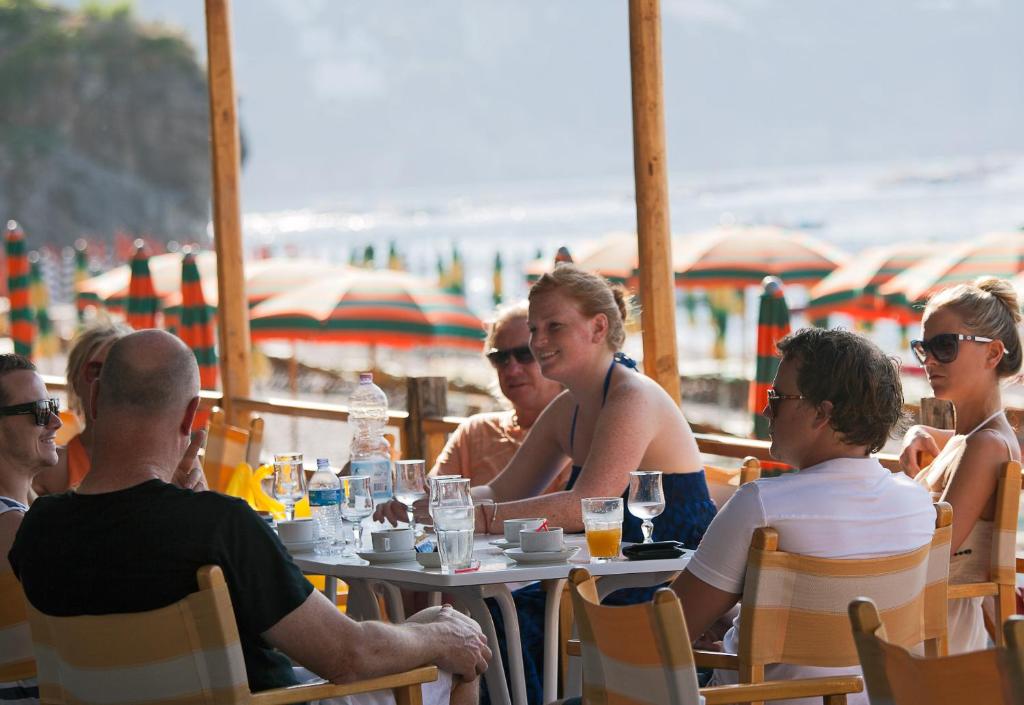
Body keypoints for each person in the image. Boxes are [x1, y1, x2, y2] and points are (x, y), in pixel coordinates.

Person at [10, 330, 490, 705]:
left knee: (433, 626)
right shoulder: (219, 526)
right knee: (454, 649)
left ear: (94, 404)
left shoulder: (37, 530)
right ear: (190, 416)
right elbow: (347, 655)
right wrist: (444, 634)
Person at [381, 264, 715, 705]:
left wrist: (475, 518)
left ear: (598, 328)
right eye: (535, 328)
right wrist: (434, 501)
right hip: (602, 574)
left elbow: (586, 504)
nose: (537, 342)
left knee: (498, 627)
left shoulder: (632, 397)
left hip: (668, 580)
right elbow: (501, 491)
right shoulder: (571, 406)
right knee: (485, 622)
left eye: (553, 327)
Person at [672, 328, 935, 705]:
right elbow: (836, 626)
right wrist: (735, 620)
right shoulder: (917, 504)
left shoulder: (763, 504)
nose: (766, 410)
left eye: (777, 398)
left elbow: (668, 627)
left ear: (822, 413)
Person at [898, 276, 1022, 654]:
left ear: (992, 354)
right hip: (926, 621)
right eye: (923, 348)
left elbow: (932, 550)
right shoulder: (971, 438)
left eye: (945, 346)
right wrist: (915, 431)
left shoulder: (986, 445)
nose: (930, 360)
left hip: (933, 637)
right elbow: (950, 440)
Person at [431, 301, 569, 492]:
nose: (512, 369)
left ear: (556, 357)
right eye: (500, 357)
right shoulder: (475, 432)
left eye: (526, 354)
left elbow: (575, 512)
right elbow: (432, 498)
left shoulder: (577, 433)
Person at [0, 355, 63, 704]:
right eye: (39, 410)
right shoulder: (12, 529)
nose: (55, 421)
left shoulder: (24, 514)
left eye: (52, 405)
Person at [33, 320, 131, 495]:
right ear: (75, 381)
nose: (106, 382)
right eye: (95, 370)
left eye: (120, 371)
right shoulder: (49, 469)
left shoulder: (167, 460)